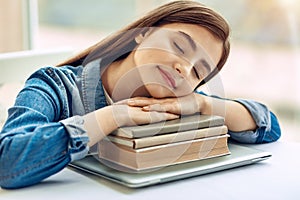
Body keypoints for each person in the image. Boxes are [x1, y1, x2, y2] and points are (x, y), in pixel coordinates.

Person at [0, 0, 281, 189]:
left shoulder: (180, 100)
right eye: (180, 46)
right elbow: (8, 162)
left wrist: (202, 102)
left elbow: (270, 126)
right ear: (144, 33)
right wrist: (113, 115)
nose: (185, 68)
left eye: (199, 72)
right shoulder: (55, 85)